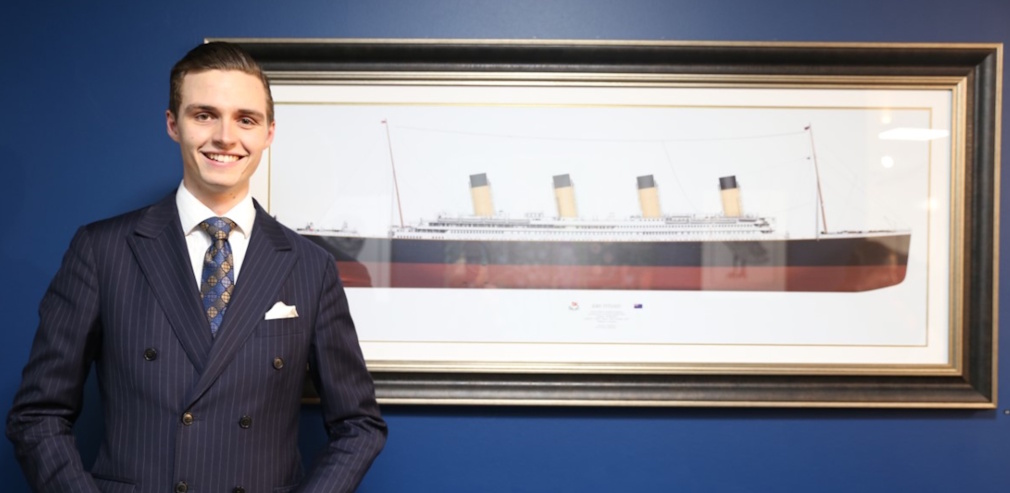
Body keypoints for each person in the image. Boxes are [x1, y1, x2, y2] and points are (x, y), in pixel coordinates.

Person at [6, 41, 387, 493]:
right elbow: (38, 414)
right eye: (204, 115)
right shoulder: (102, 250)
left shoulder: (310, 266)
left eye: (246, 119)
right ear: (173, 124)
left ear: (268, 133)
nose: (226, 136)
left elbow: (359, 425)